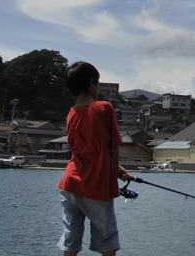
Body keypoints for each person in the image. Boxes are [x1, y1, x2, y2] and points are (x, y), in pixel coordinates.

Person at [57, 61, 130, 255]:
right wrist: (114, 170)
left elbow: (82, 149)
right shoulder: (103, 108)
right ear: (91, 83)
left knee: (70, 239)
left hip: (71, 182)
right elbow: (113, 146)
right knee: (107, 240)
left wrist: (116, 167)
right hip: (95, 185)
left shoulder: (71, 114)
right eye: (97, 83)